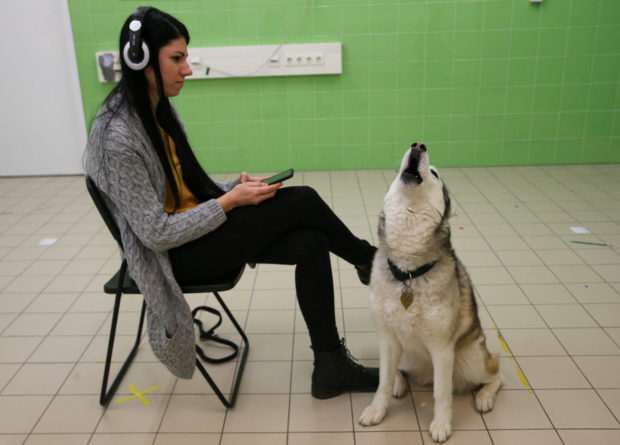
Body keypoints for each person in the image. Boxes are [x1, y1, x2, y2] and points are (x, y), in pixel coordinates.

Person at [84, 7, 377, 400]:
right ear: (141, 61)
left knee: (311, 242)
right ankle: (372, 262)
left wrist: (230, 188)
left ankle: (330, 366)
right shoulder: (116, 136)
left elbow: (183, 187)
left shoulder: (158, 110)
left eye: (185, 57)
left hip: (196, 232)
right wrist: (228, 203)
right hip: (172, 259)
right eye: (176, 58)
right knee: (303, 199)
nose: (187, 68)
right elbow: (155, 233)